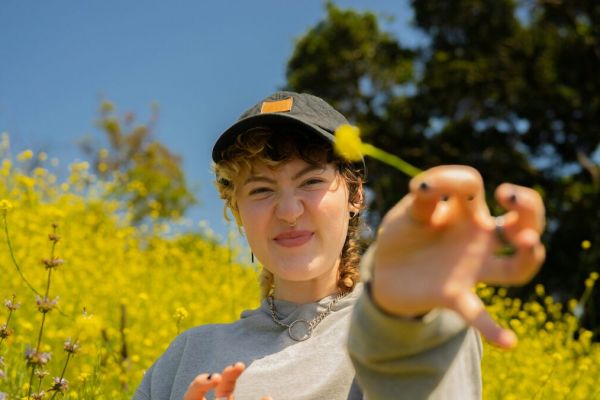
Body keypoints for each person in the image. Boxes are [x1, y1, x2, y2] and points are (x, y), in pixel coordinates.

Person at [133, 91, 545, 400]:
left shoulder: (406, 319)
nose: (289, 211)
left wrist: (405, 317)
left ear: (355, 196)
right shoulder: (185, 357)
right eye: (260, 190)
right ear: (237, 211)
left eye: (311, 181)